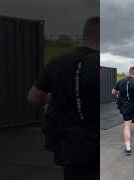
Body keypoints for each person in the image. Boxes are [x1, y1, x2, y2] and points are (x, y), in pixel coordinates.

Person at [27, 16, 99, 180]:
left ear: (84, 35)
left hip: (70, 144)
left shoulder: (56, 62)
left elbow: (34, 97)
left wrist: (58, 95)